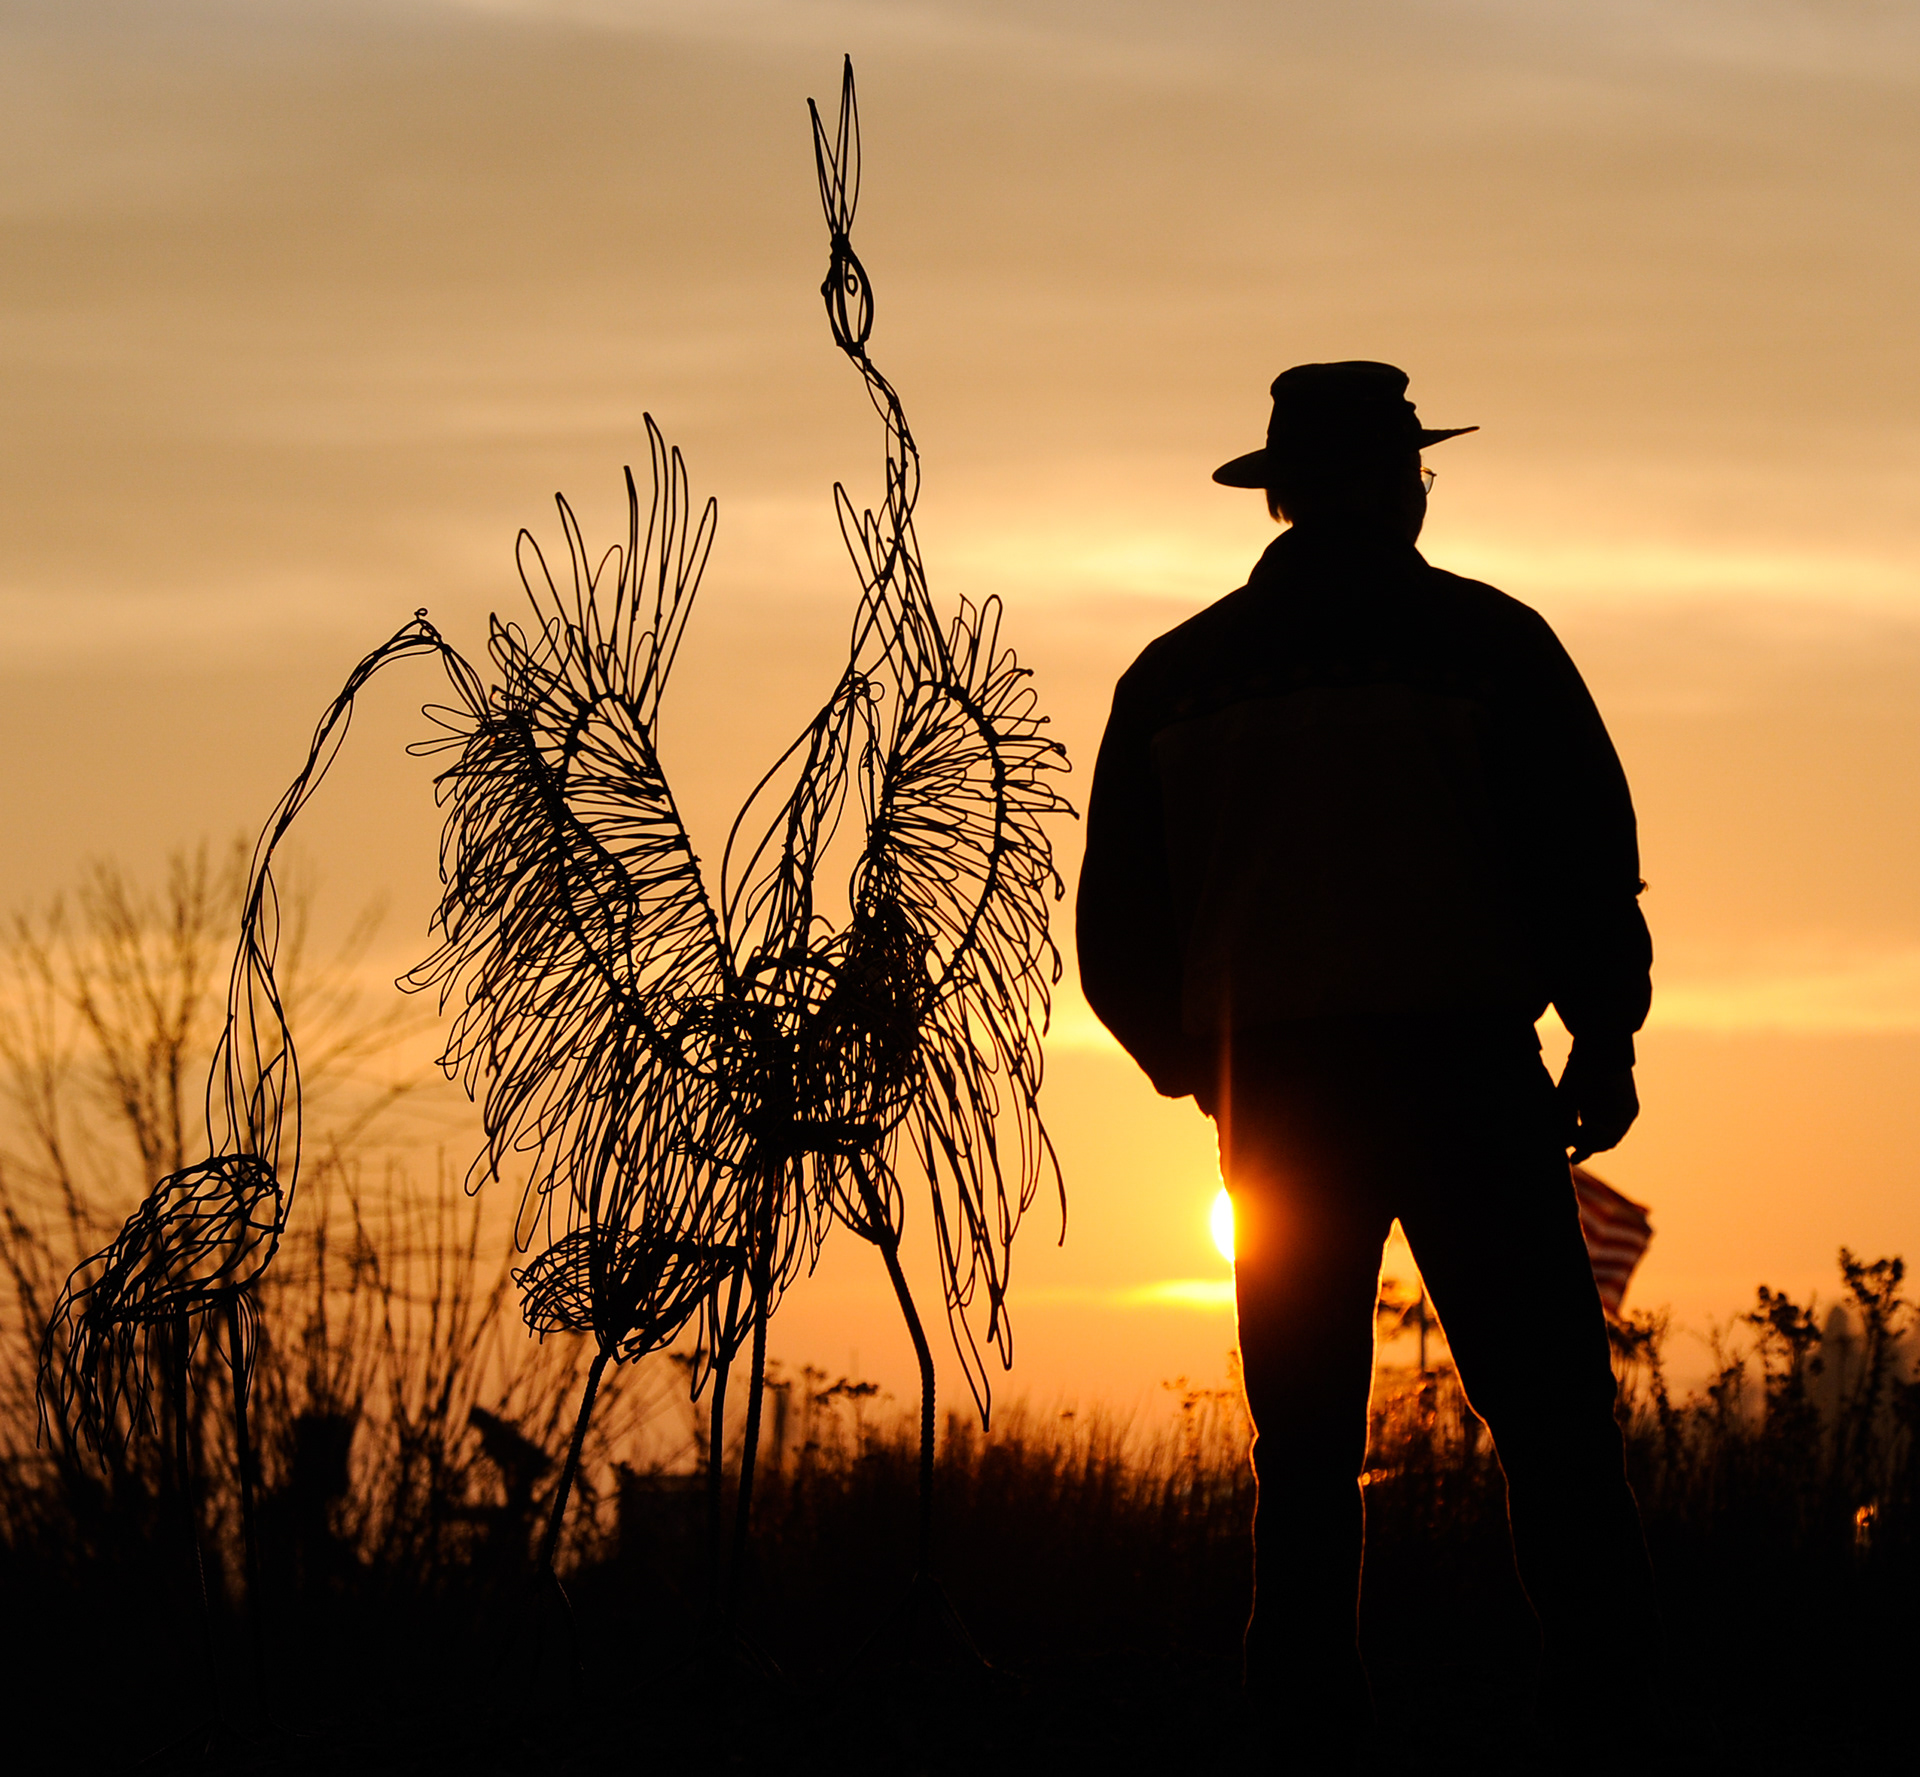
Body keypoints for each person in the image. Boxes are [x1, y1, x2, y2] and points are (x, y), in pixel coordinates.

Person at [1076, 362, 1659, 1765]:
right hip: (1466, 1070)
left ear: (1276, 494)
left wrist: (1197, 1070)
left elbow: (1115, 930)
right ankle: (1598, 1706)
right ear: (1401, 484)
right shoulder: (1493, 646)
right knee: (1551, 1413)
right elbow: (1584, 858)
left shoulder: (1172, 682)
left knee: (1305, 1441)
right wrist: (1608, 1027)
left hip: (1280, 1099)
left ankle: (1304, 1721)